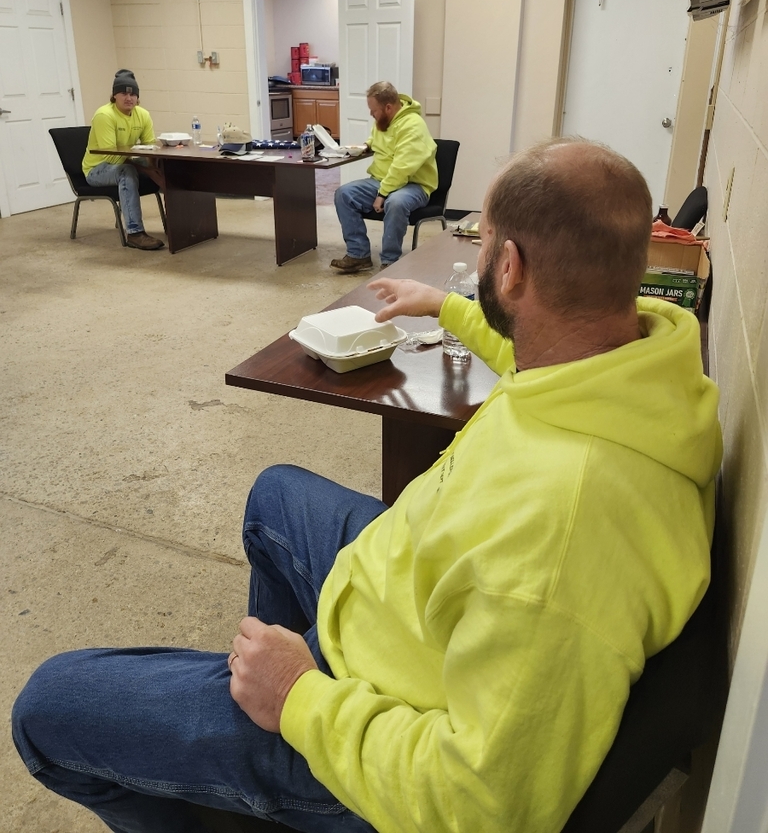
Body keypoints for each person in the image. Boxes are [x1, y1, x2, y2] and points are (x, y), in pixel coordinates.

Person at [12, 139, 721, 833]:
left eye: (482, 245)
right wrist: (443, 308)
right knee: (274, 494)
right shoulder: (623, 371)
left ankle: (271, 752)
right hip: (410, 595)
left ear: (508, 268)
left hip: (382, 724)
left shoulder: (562, 539)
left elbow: (484, 807)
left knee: (45, 710)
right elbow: (530, 354)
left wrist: (298, 699)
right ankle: (249, 748)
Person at [331, 80, 437, 273]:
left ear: (388, 107)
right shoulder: (384, 120)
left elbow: (401, 168)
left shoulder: (413, 126)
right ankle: (358, 255)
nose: (371, 115)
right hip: (381, 181)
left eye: (374, 111)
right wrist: (366, 145)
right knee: (344, 194)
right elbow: (377, 136)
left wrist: (382, 193)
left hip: (414, 185)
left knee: (395, 202)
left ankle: (390, 262)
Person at [82, 69, 165, 251]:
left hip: (123, 162)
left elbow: (150, 147)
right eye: (124, 93)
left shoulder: (142, 114)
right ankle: (135, 233)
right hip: (97, 169)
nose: (129, 98)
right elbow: (111, 157)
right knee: (127, 171)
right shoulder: (104, 115)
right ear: (114, 96)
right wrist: (144, 167)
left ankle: (180, 226)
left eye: (133, 94)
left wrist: (154, 167)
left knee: (164, 165)